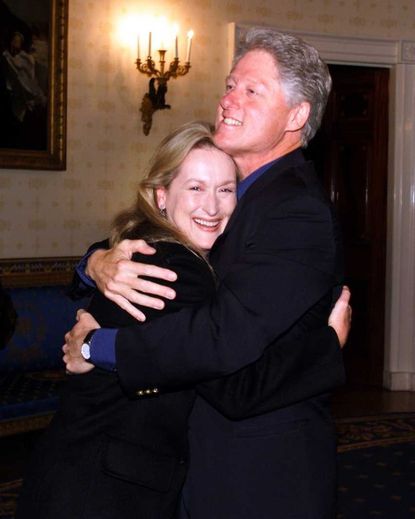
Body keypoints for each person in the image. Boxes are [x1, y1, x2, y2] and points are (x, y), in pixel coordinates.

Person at [65, 28, 350, 518]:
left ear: (297, 115)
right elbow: (159, 241)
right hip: (190, 459)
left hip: (260, 473)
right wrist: (94, 263)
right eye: (228, 85)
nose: (227, 100)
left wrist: (99, 346)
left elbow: (222, 342)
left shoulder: (294, 209)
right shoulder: (240, 192)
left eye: (251, 90)